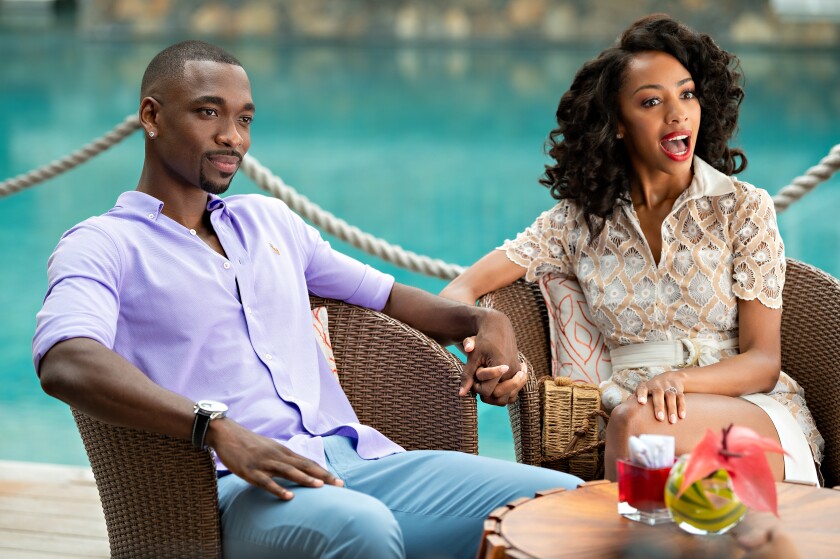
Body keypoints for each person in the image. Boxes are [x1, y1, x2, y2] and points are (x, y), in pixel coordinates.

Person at [32, 40, 581, 559]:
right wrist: (215, 429)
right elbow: (66, 360)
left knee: (566, 506)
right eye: (208, 113)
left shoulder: (268, 221)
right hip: (228, 488)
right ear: (151, 117)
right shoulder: (104, 244)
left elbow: (386, 296)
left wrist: (482, 317)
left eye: (244, 119)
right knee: (363, 529)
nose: (233, 137)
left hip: (359, 459)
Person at [440, 14, 823, 483]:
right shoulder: (576, 222)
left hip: (750, 415)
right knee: (643, 437)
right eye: (651, 101)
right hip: (632, 416)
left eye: (687, 94)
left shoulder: (743, 209)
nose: (677, 113)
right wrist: (485, 343)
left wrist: (678, 381)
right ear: (618, 125)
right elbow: (462, 288)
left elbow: (763, 362)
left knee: (637, 424)